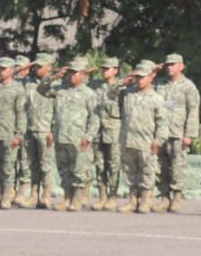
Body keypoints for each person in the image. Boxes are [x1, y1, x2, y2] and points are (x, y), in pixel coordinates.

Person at [52, 57, 101, 211]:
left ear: (83, 75)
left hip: (79, 138)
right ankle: (67, 198)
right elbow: (42, 89)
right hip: (61, 135)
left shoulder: (89, 94)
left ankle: (78, 199)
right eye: (70, 72)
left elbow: (95, 117)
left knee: (79, 169)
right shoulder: (61, 90)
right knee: (64, 169)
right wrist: (56, 76)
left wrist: (89, 136)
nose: (72, 76)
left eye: (76, 73)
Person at [156, 53, 201, 212]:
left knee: (177, 166)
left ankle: (176, 197)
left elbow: (193, 111)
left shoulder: (188, 86)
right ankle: (164, 197)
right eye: (167, 65)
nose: (169, 67)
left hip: (178, 133)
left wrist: (190, 134)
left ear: (181, 66)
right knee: (160, 166)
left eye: (173, 64)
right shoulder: (160, 85)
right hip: (161, 133)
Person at [118, 61, 164, 212]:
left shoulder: (156, 98)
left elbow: (162, 122)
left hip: (147, 142)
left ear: (151, 77)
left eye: (143, 77)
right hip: (128, 140)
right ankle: (132, 201)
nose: (139, 80)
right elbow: (111, 94)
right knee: (130, 173)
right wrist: (125, 81)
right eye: (137, 77)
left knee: (147, 173)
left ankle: (145, 201)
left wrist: (158, 140)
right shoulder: (127, 94)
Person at [0, 57, 27, 209]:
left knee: (9, 166)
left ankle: (7, 195)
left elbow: (21, 113)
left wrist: (18, 134)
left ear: (12, 70)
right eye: (0, 68)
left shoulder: (18, 89)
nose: (1, 71)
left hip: (10, 133)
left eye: (4, 69)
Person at [22, 53, 57, 209]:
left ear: (49, 67)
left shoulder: (56, 85)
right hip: (29, 128)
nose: (37, 69)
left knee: (46, 165)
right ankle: (34, 194)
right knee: (32, 164)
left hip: (45, 129)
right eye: (35, 66)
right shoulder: (28, 83)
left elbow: (59, 109)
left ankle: (46, 195)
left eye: (41, 66)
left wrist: (53, 130)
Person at [92, 59, 124, 210]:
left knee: (113, 165)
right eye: (103, 68)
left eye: (108, 69)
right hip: (98, 129)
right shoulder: (96, 86)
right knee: (100, 165)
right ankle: (102, 196)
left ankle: (112, 196)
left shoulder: (121, 88)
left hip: (114, 130)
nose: (104, 71)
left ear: (115, 70)